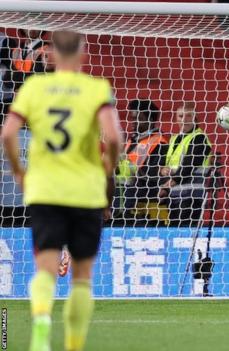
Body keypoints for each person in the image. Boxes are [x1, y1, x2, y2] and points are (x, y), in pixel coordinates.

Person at [1, 30, 122, 351]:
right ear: (83, 52)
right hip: (85, 190)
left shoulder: (34, 87)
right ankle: (73, 344)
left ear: (50, 54)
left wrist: (18, 170)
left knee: (45, 268)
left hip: (45, 189)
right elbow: (113, 139)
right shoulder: (96, 89)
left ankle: (42, 322)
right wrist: (107, 170)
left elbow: (8, 133)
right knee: (81, 277)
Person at [159, 102, 212, 227]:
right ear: (176, 118)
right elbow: (165, 164)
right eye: (180, 116)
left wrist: (167, 187)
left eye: (188, 116)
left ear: (195, 118)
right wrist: (163, 170)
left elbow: (188, 167)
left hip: (191, 197)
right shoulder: (174, 139)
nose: (184, 120)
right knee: (174, 234)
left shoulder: (200, 138)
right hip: (174, 196)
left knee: (186, 235)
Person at [116, 99, 167, 222]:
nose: (132, 122)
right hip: (127, 203)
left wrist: (125, 164)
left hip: (149, 207)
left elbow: (154, 175)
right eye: (132, 118)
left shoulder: (160, 143)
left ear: (149, 120)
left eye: (137, 118)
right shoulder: (131, 141)